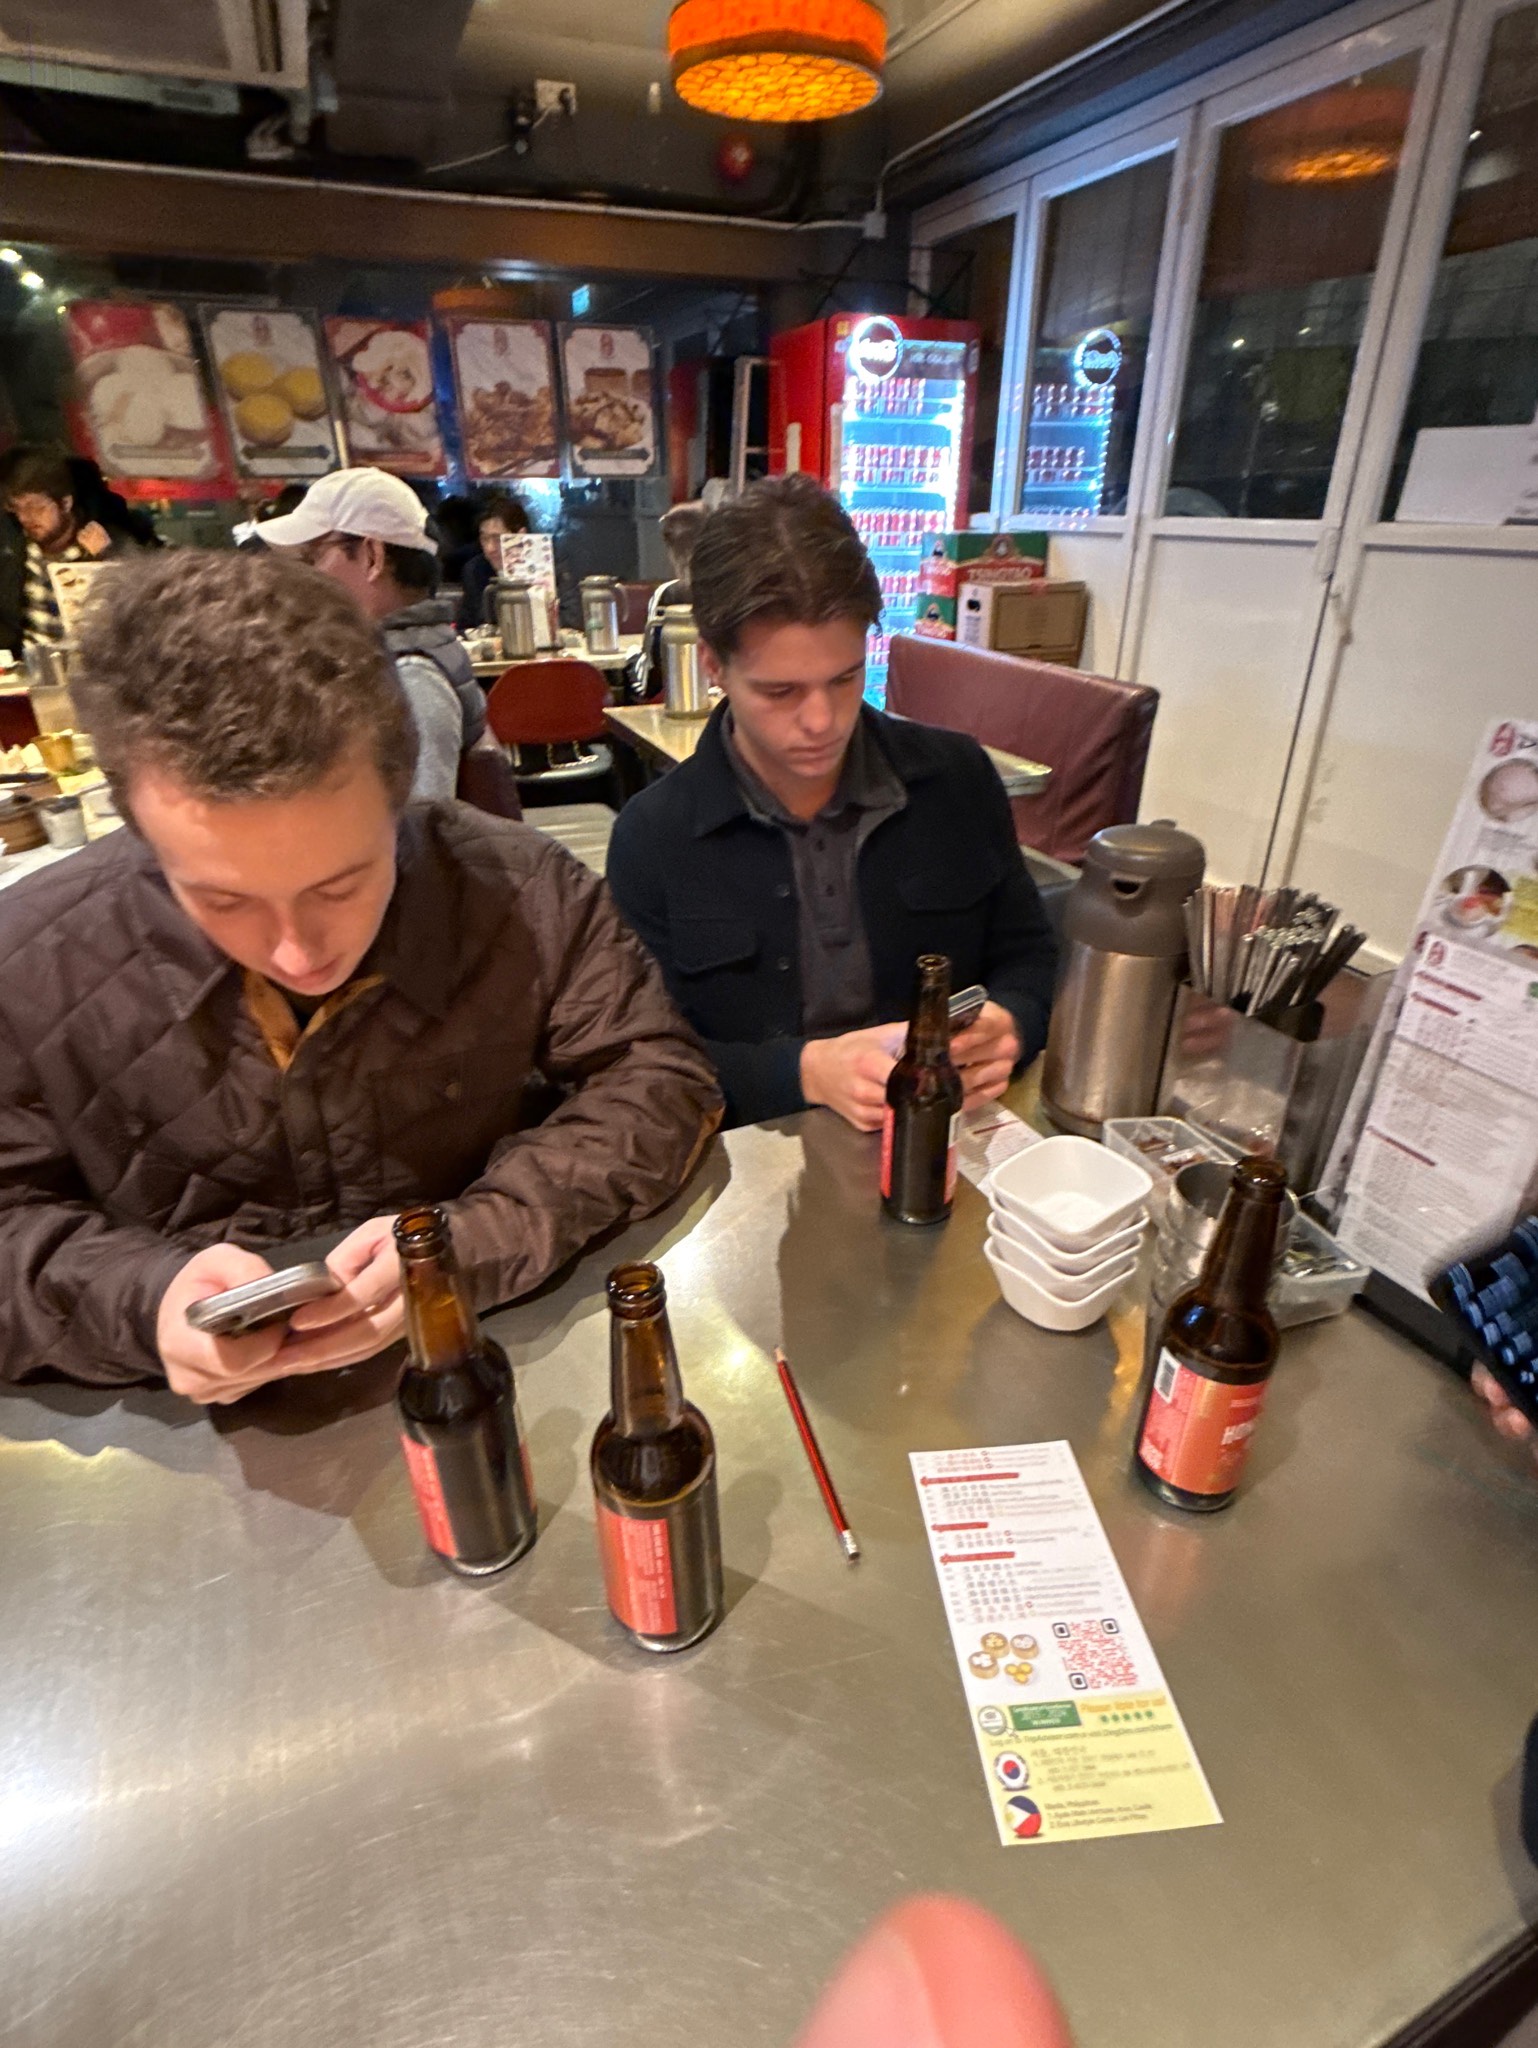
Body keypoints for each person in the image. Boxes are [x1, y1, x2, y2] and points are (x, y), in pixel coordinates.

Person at [0, 547, 721, 1403]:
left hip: (490, 1370)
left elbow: (657, 1077)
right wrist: (139, 1304)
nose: (297, 952)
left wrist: (471, 1242)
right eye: (224, 899)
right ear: (137, 828)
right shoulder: (31, 959)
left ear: (401, 795)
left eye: (341, 885)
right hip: (161, 1430)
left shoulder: (519, 888)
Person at [607, 476, 1057, 1131]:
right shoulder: (654, 837)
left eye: (845, 679)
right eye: (780, 691)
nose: (821, 721)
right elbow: (641, 1062)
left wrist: (1015, 1020)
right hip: (757, 1155)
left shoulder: (956, 779)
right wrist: (802, 1072)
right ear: (713, 666)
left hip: (951, 1134)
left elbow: (1031, 953)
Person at [259, 466, 489, 805]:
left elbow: (417, 829)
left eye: (314, 556)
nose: (304, 577)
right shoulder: (386, 660)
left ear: (372, 556)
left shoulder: (412, 679)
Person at [0, 444, 147, 655]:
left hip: (91, 663)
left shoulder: (104, 542)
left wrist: (109, 556)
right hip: (29, 662)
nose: (25, 518)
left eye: (37, 508)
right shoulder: (14, 546)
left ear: (66, 503)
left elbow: (143, 606)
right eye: (18, 509)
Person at [627, 499, 706, 704]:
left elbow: (649, 683)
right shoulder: (740, 591)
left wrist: (632, 657)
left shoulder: (668, 596)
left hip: (681, 704)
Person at [454, 489, 531, 632]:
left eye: (497, 539)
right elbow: (465, 626)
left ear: (521, 536)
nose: (490, 548)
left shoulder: (546, 566)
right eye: (484, 539)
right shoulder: (474, 570)